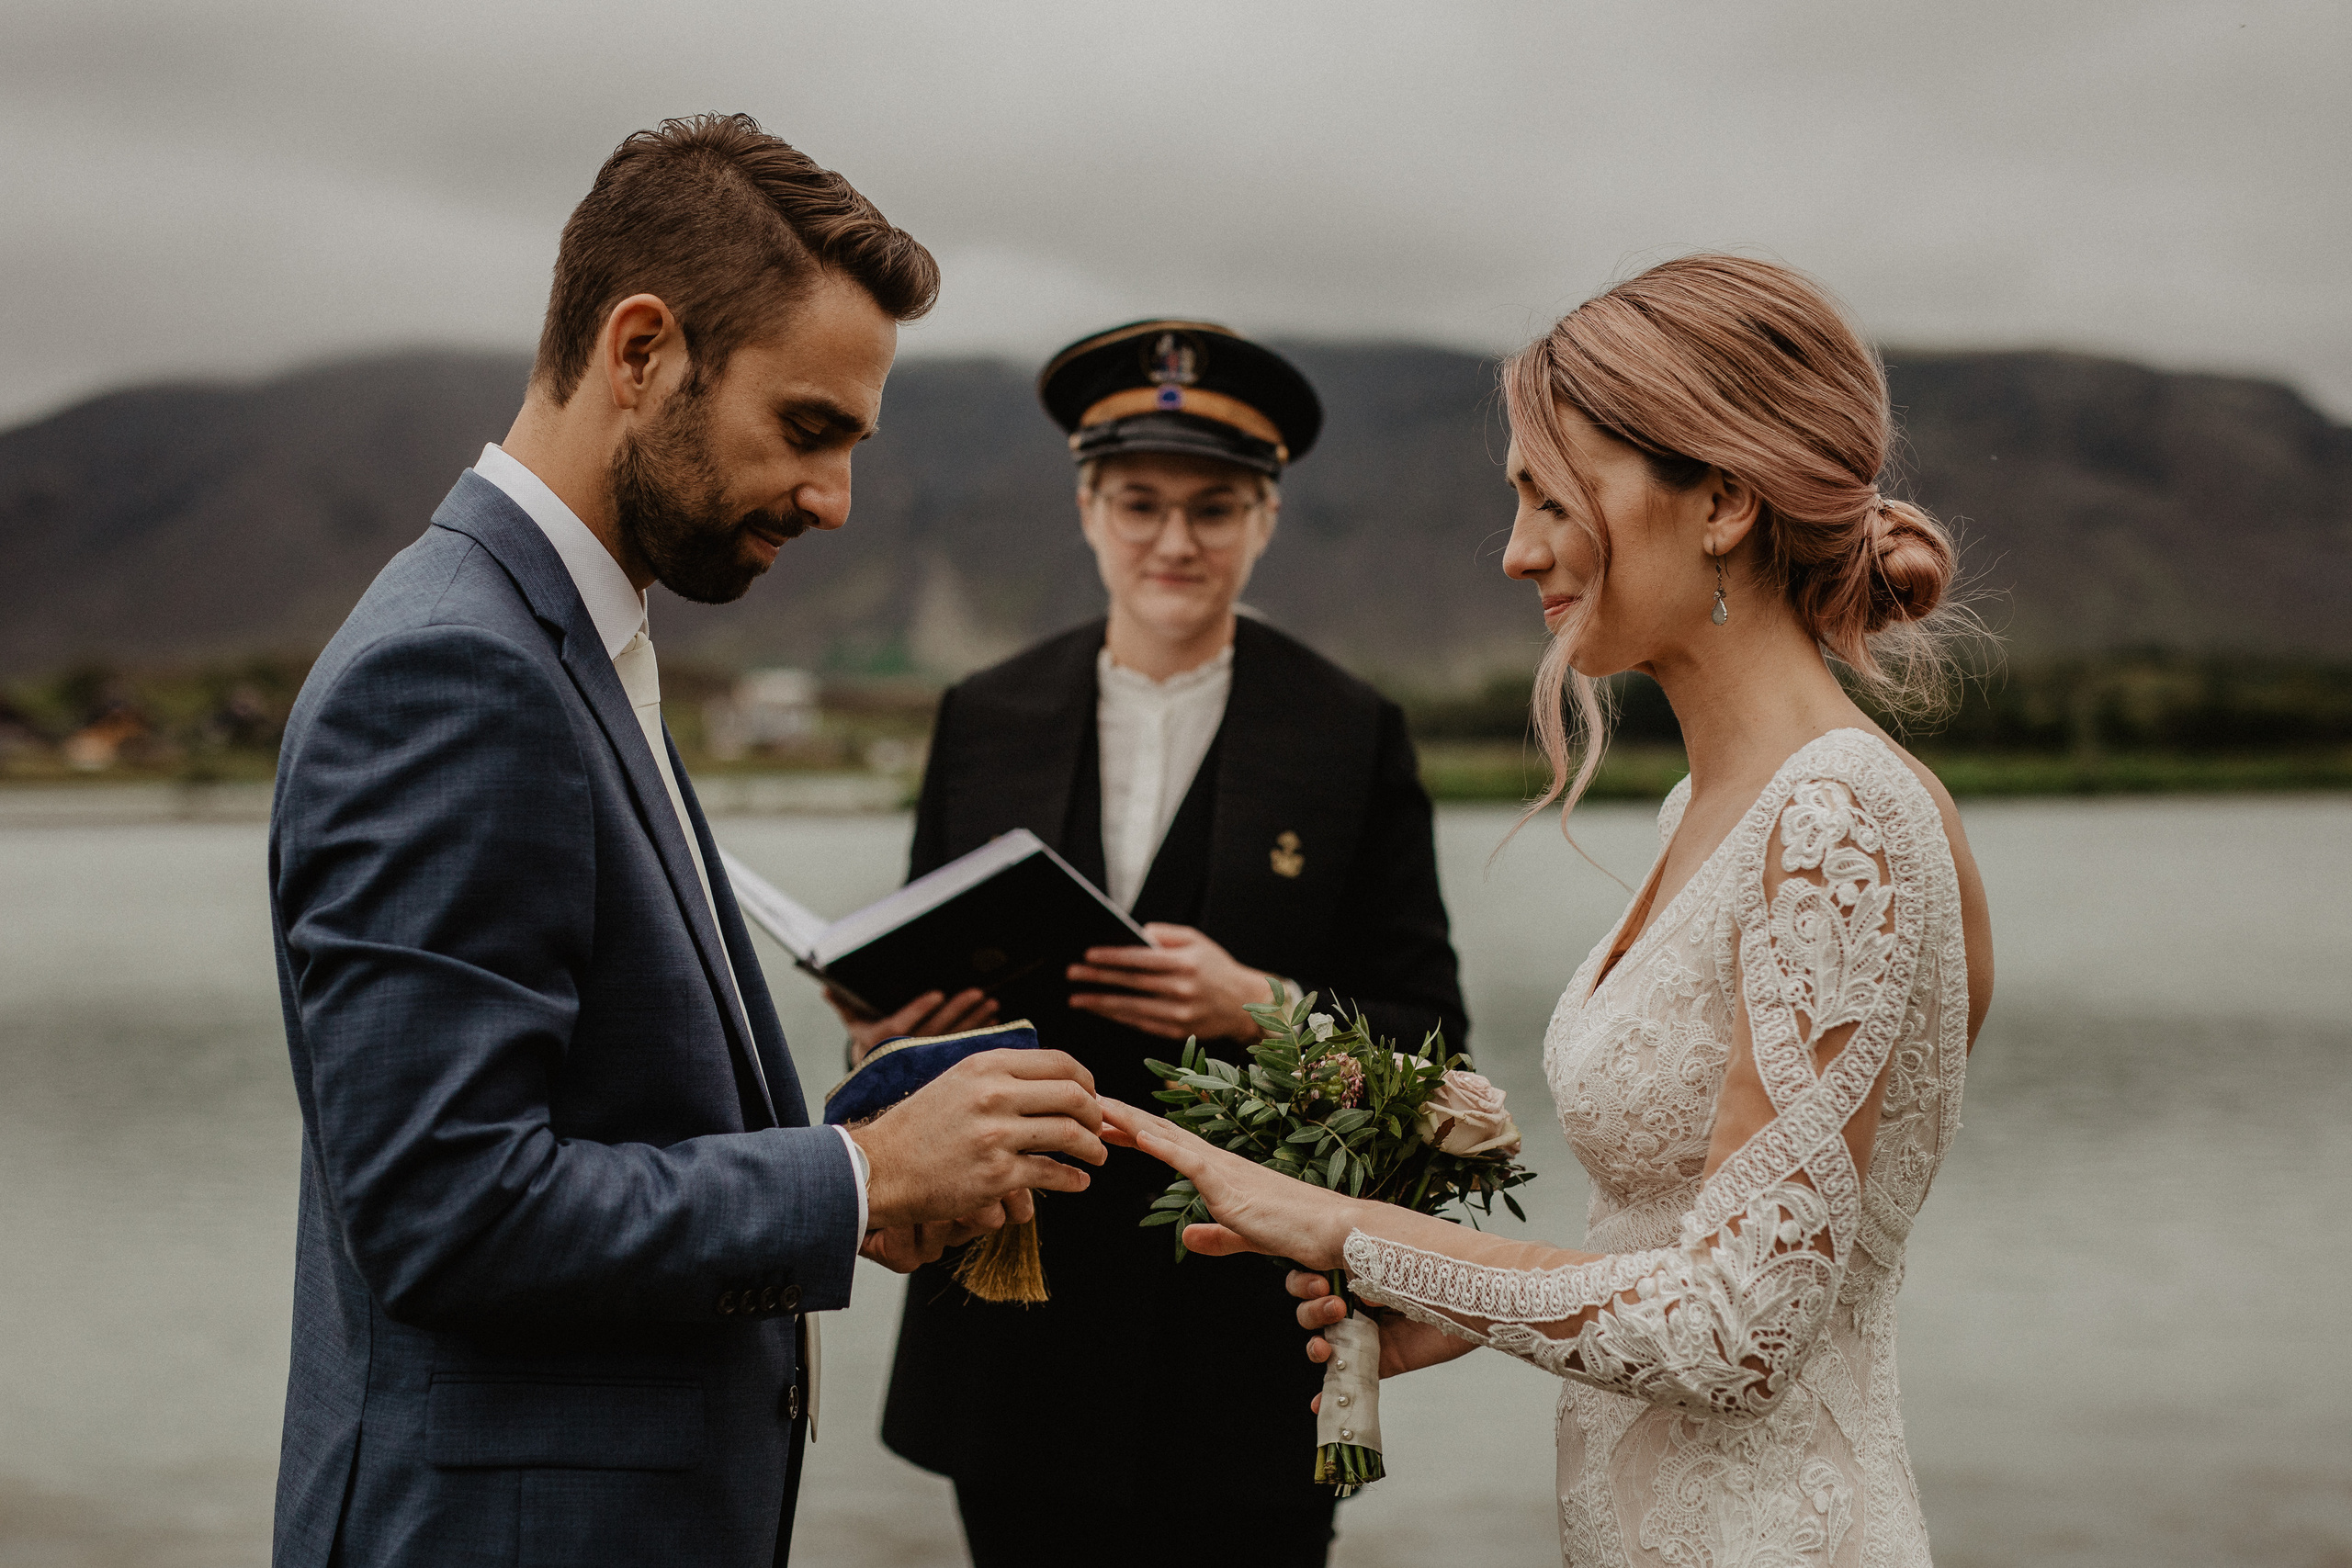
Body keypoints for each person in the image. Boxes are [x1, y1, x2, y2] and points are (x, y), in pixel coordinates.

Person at [265, 114, 1108, 1568]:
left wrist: (847, 1156)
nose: (837, 500)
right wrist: (857, 1182)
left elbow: (584, 1128)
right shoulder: (454, 674)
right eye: (807, 428)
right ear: (641, 350)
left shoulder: (567, 641)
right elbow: (447, 1209)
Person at [1102, 255, 1994, 1568]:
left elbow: (1740, 1328)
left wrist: (1352, 1227)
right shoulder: (1716, 802)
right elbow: (1688, 1230)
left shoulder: (1838, 814)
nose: (1518, 550)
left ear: (1725, 501)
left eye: (1550, 497)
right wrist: (1451, 1303)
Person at [834, 320, 1467, 1567]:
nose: (1174, 540)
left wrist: (1261, 1005)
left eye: (1215, 507)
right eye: (1139, 503)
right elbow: (908, 970)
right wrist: (887, 1035)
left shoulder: (1351, 735)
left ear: (1267, 517)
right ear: (1086, 506)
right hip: (1013, 1331)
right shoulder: (984, 714)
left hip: (1250, 1347)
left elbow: (1436, 1042)